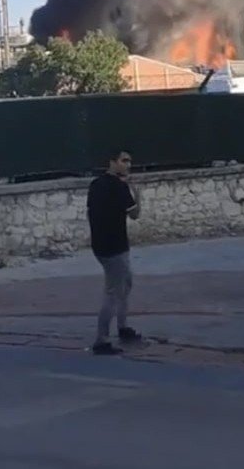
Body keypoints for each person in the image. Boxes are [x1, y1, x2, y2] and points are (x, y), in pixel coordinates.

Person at [87, 149, 142, 355]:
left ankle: (122, 327)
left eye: (129, 161)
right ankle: (101, 340)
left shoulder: (96, 185)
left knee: (125, 283)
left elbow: (91, 213)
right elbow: (135, 214)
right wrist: (138, 196)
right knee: (113, 291)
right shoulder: (120, 187)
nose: (128, 165)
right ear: (112, 162)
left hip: (100, 245)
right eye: (124, 161)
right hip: (115, 246)